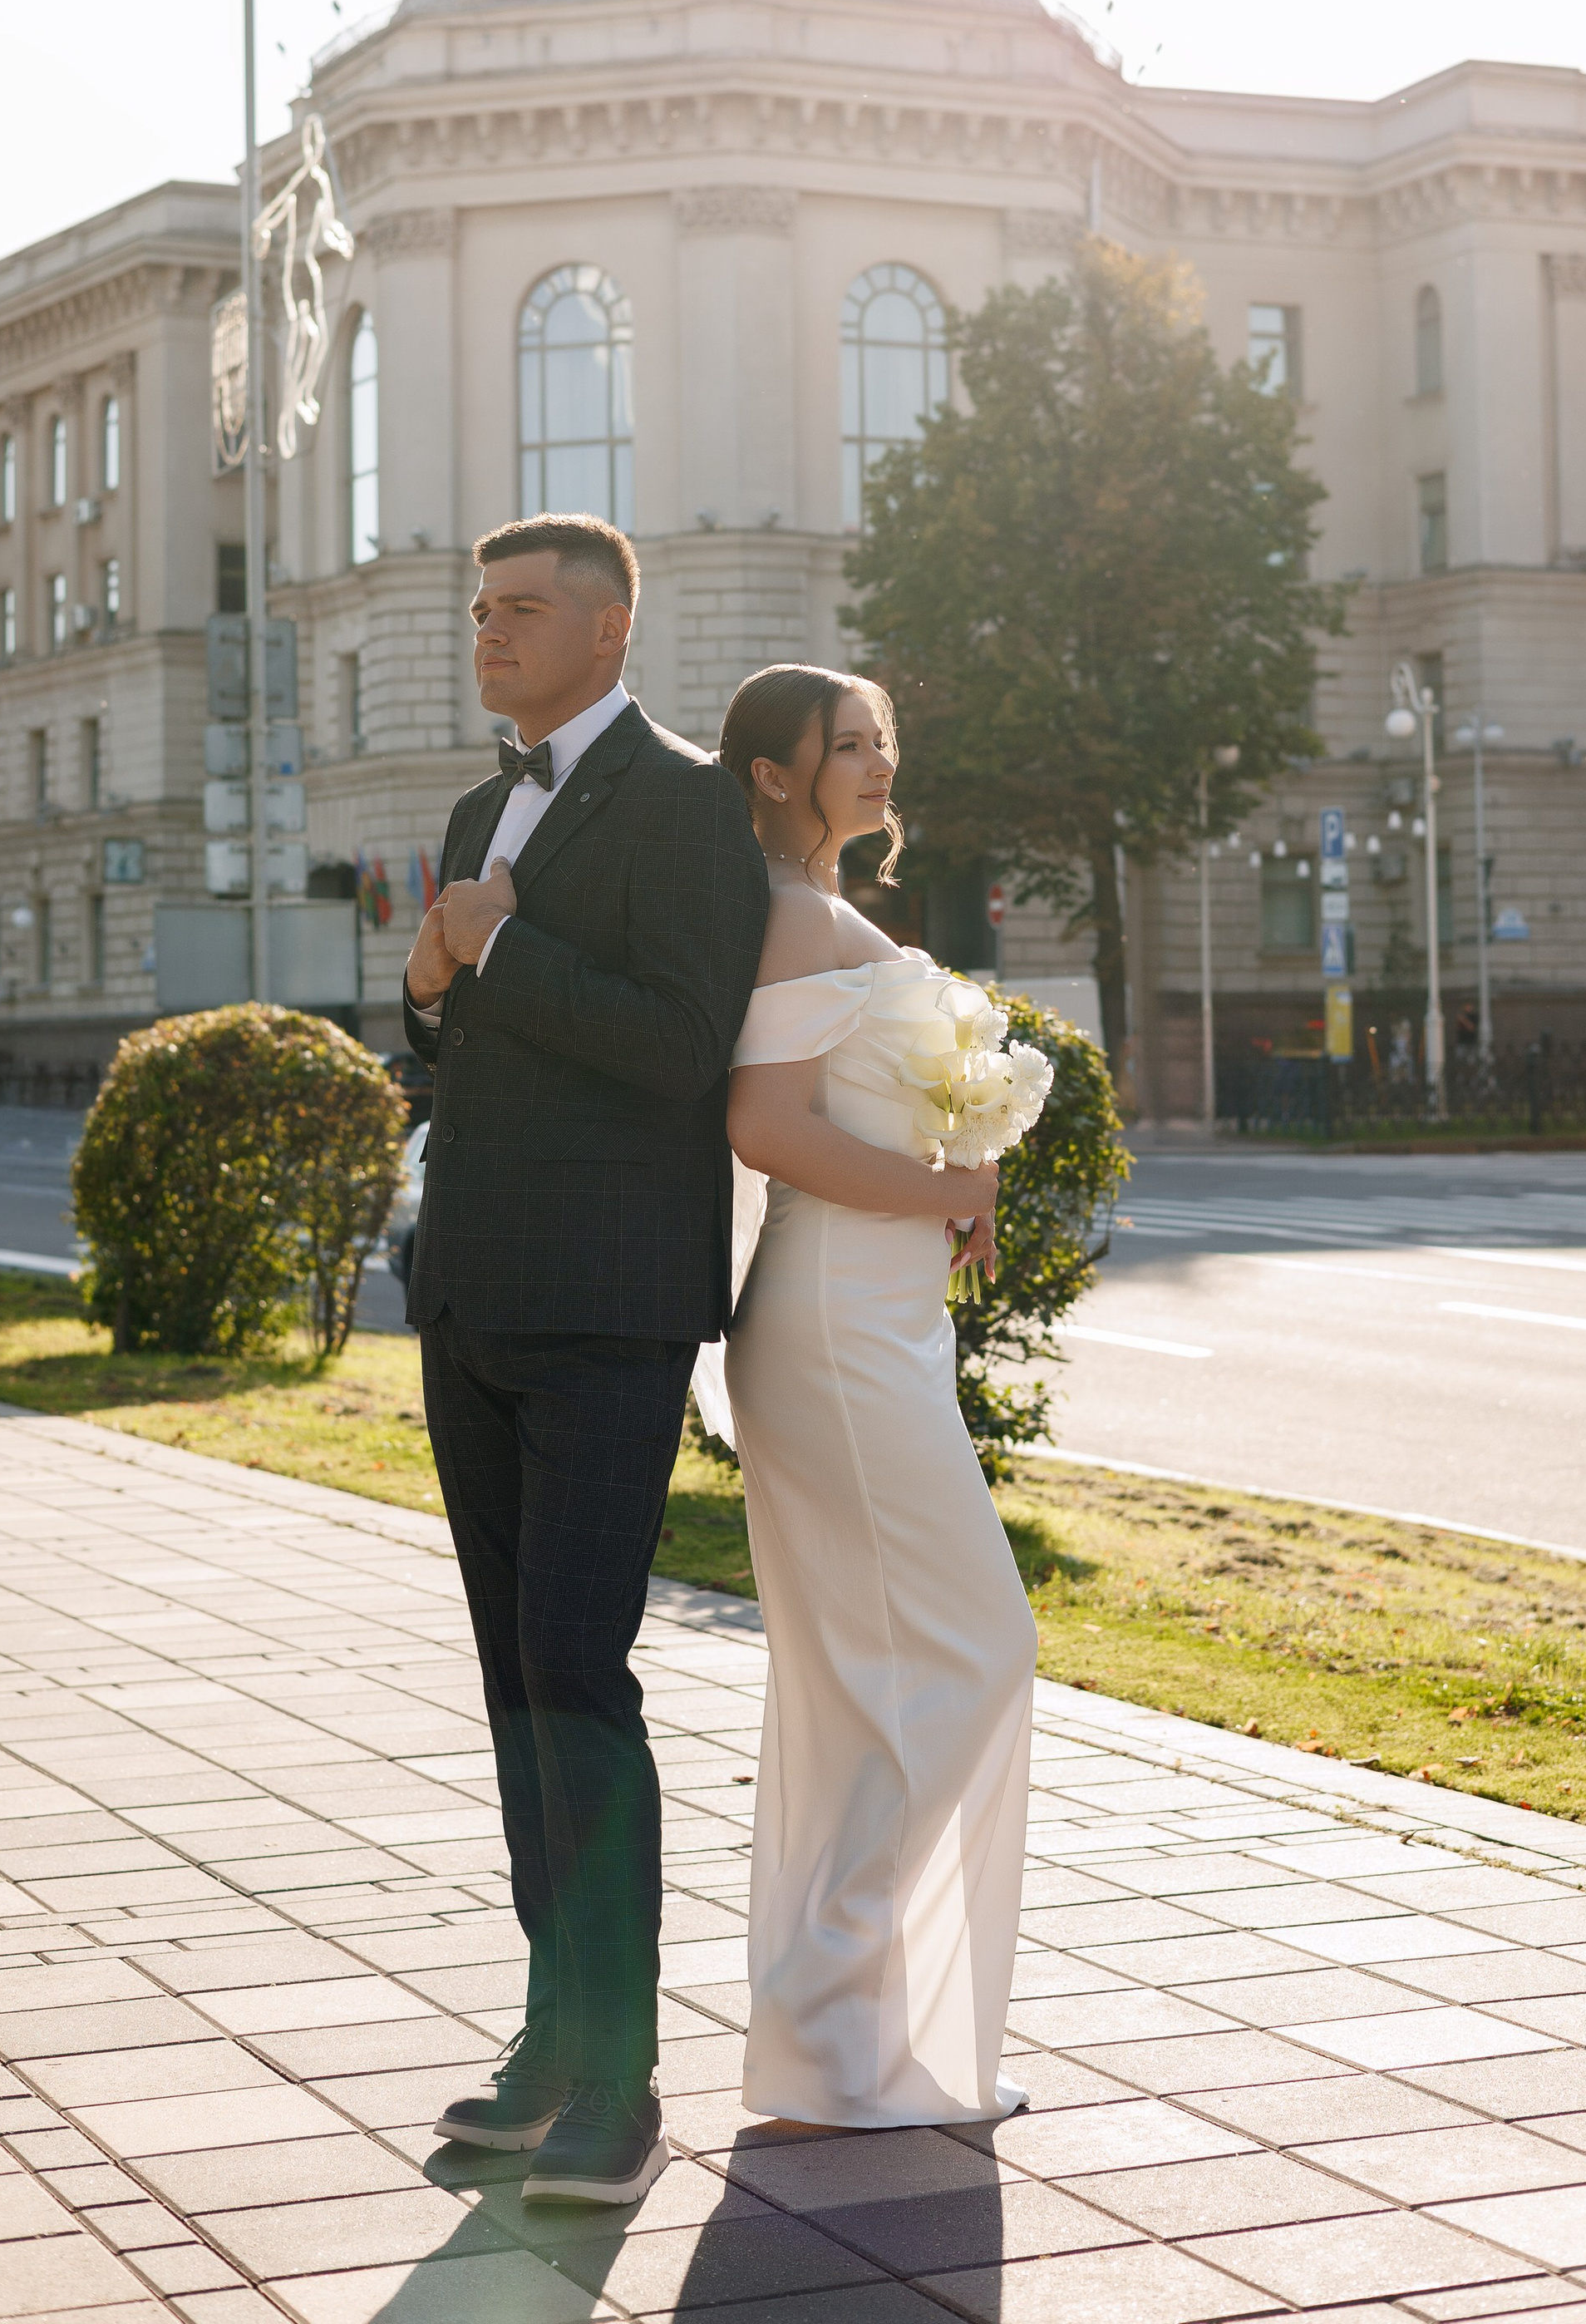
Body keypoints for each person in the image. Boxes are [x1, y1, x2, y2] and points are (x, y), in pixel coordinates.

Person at [401, 515, 768, 2203]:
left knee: (575, 1673)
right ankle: (552, 2041)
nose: (492, 632)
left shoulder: (691, 803)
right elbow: (458, 1044)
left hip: (610, 1307)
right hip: (472, 1295)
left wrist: (498, 949)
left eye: (526, 610)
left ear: (610, 632)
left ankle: (619, 2087)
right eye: (483, 609)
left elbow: (684, 1045)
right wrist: (429, 986)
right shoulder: (478, 810)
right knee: (513, 1681)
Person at [716, 662, 1038, 2129]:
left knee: (869, 1684)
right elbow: (765, 1125)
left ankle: (843, 2045)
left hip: (877, 1320)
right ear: (773, 771)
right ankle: (828, 2018)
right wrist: (945, 1186)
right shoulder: (788, 911)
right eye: (847, 744)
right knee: (977, 1647)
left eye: (883, 740)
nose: (878, 762)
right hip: (836, 1326)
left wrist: (955, 1173)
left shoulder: (822, 905)